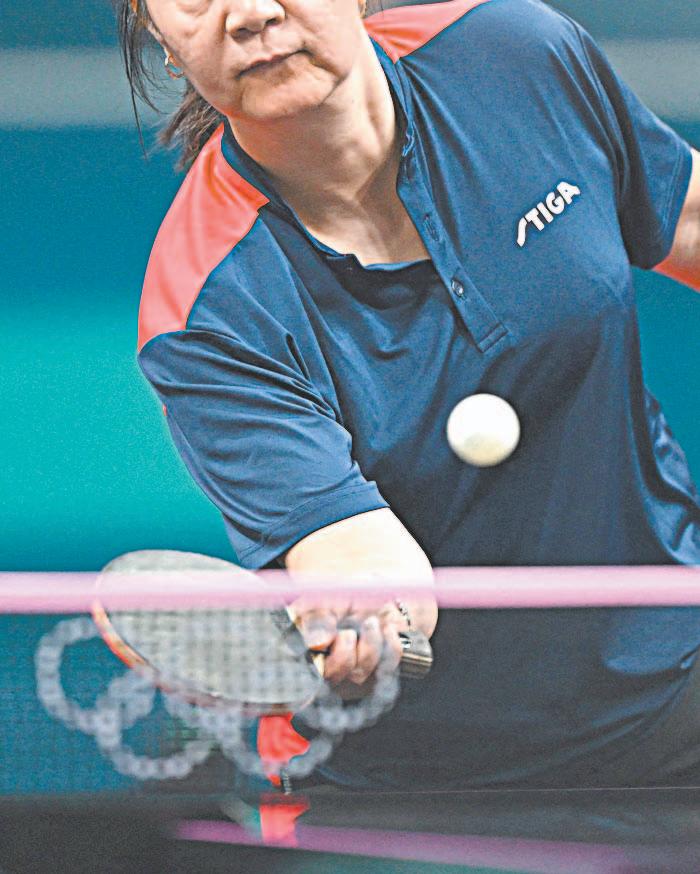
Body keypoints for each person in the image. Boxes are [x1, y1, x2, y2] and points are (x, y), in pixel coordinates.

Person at [118, 0, 700, 789]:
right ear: (162, 40)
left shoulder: (515, 56)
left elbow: (688, 221)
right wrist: (364, 622)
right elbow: (362, 559)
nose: (251, 13)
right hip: (417, 781)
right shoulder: (206, 308)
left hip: (673, 685)